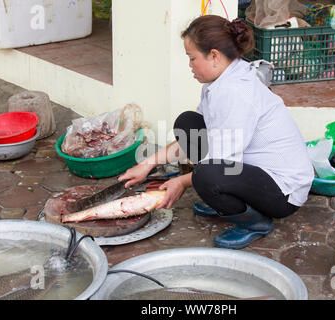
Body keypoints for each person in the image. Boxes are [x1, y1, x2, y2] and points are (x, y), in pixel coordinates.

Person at [118, 15, 314, 249]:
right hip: (251, 170)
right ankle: (226, 200)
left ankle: (255, 223)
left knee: (205, 176)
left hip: (282, 192)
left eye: (192, 59)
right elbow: (202, 137)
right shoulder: (219, 82)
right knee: (188, 123)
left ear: (214, 56)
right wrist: (148, 164)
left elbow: (224, 163)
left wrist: (181, 182)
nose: (190, 65)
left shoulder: (236, 93)